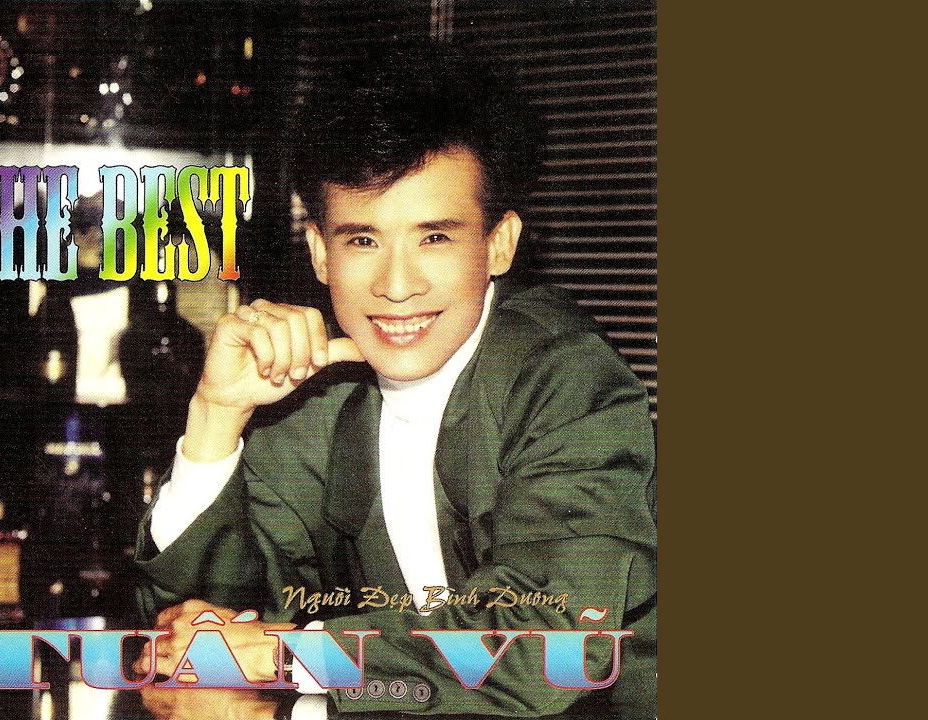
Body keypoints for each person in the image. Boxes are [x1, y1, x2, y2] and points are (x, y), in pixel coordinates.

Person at [132, 43, 657, 718]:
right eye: (363, 240)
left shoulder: (563, 377)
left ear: (498, 244)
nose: (397, 285)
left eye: (434, 237)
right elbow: (207, 626)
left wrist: (285, 657)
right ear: (320, 252)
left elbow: (552, 646)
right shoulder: (318, 394)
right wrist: (216, 416)